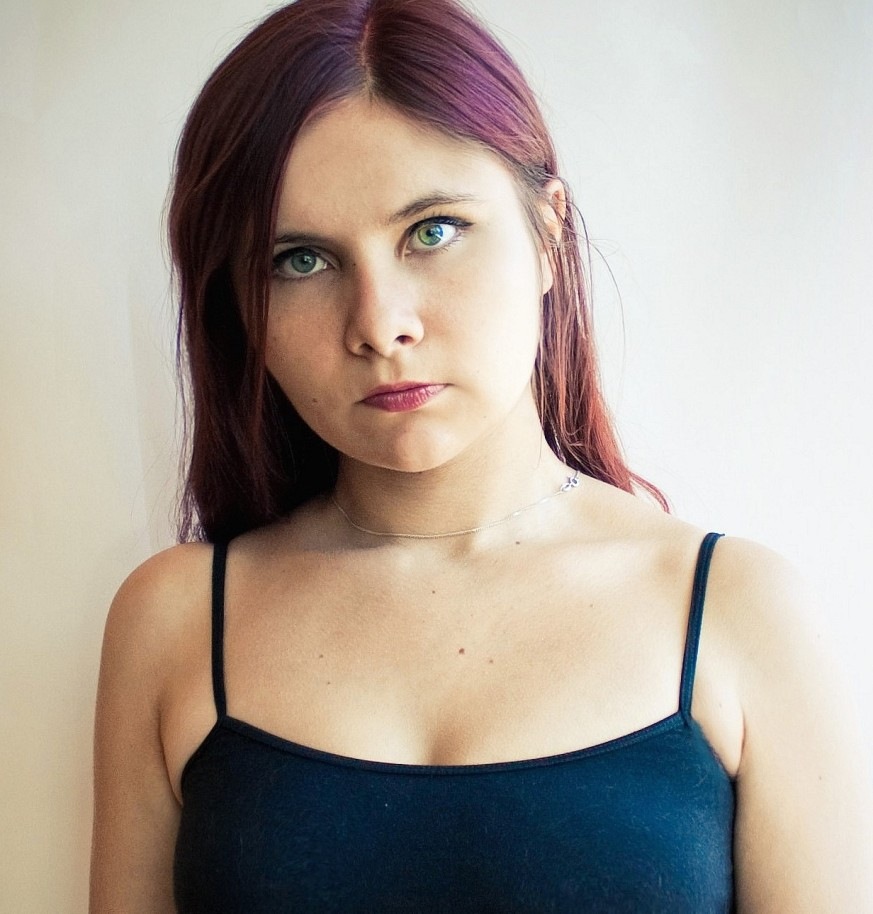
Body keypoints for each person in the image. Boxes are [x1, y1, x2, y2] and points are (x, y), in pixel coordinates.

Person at [89, 0, 873, 910]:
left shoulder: (739, 611)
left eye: (432, 231)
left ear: (548, 234)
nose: (380, 324)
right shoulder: (176, 620)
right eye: (300, 260)